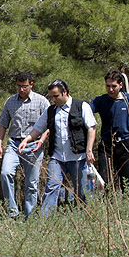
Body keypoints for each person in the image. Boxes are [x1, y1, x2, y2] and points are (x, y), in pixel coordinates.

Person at [18, 79, 96, 216]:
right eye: (51, 96)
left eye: (56, 96)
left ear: (64, 92)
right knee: (51, 187)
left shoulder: (81, 106)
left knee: (81, 190)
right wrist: (26, 140)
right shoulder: (51, 111)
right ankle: (46, 220)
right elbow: (38, 128)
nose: (53, 99)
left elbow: (91, 128)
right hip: (57, 157)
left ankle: (86, 217)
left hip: (78, 157)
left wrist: (89, 150)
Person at [0, 72, 50, 219]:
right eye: (19, 86)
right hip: (13, 143)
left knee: (31, 183)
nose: (21, 89)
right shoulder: (10, 101)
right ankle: (13, 213)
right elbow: (2, 124)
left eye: (24, 86)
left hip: (33, 145)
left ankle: (29, 217)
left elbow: (49, 125)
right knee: (5, 173)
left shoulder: (42, 101)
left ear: (31, 84)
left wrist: (42, 140)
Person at [90, 70, 129, 198]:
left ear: (120, 85)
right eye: (108, 86)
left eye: (114, 86)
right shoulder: (100, 100)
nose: (111, 89)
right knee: (105, 180)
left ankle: (128, 210)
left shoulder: (128, 99)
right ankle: (109, 209)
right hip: (106, 145)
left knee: (127, 180)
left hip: (126, 144)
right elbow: (85, 111)